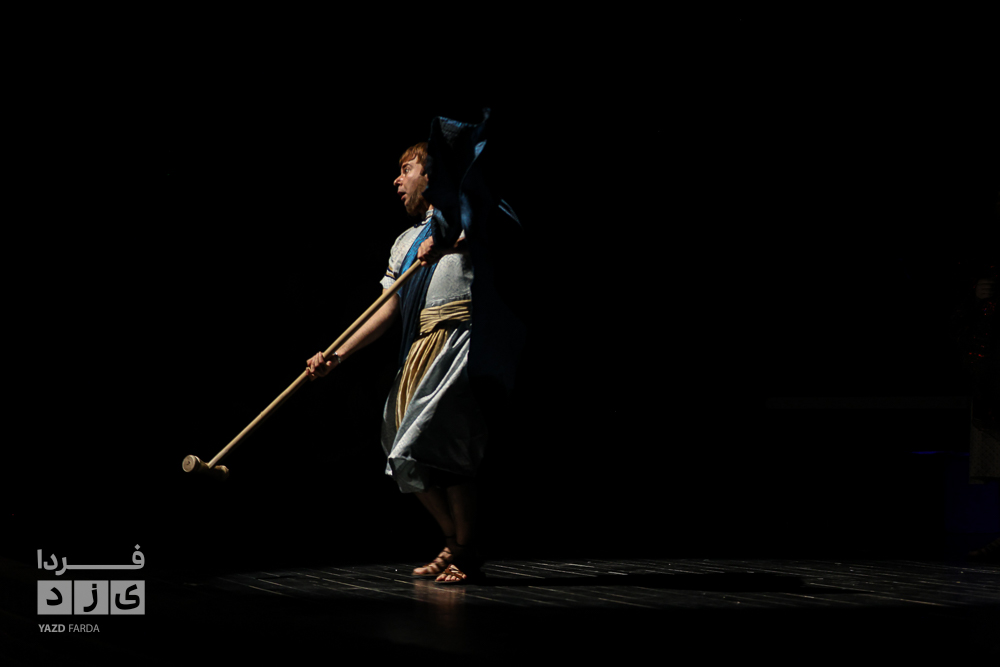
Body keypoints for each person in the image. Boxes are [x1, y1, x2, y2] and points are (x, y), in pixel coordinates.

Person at [305, 115, 523, 583]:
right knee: (401, 446)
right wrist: (337, 355)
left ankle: (464, 548)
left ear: (432, 174)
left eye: (406, 169)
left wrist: (447, 245)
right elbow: (385, 310)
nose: (397, 180)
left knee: (439, 439)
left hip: (462, 339)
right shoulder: (405, 242)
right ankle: (457, 541)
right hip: (423, 345)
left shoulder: (467, 212)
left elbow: (496, 234)